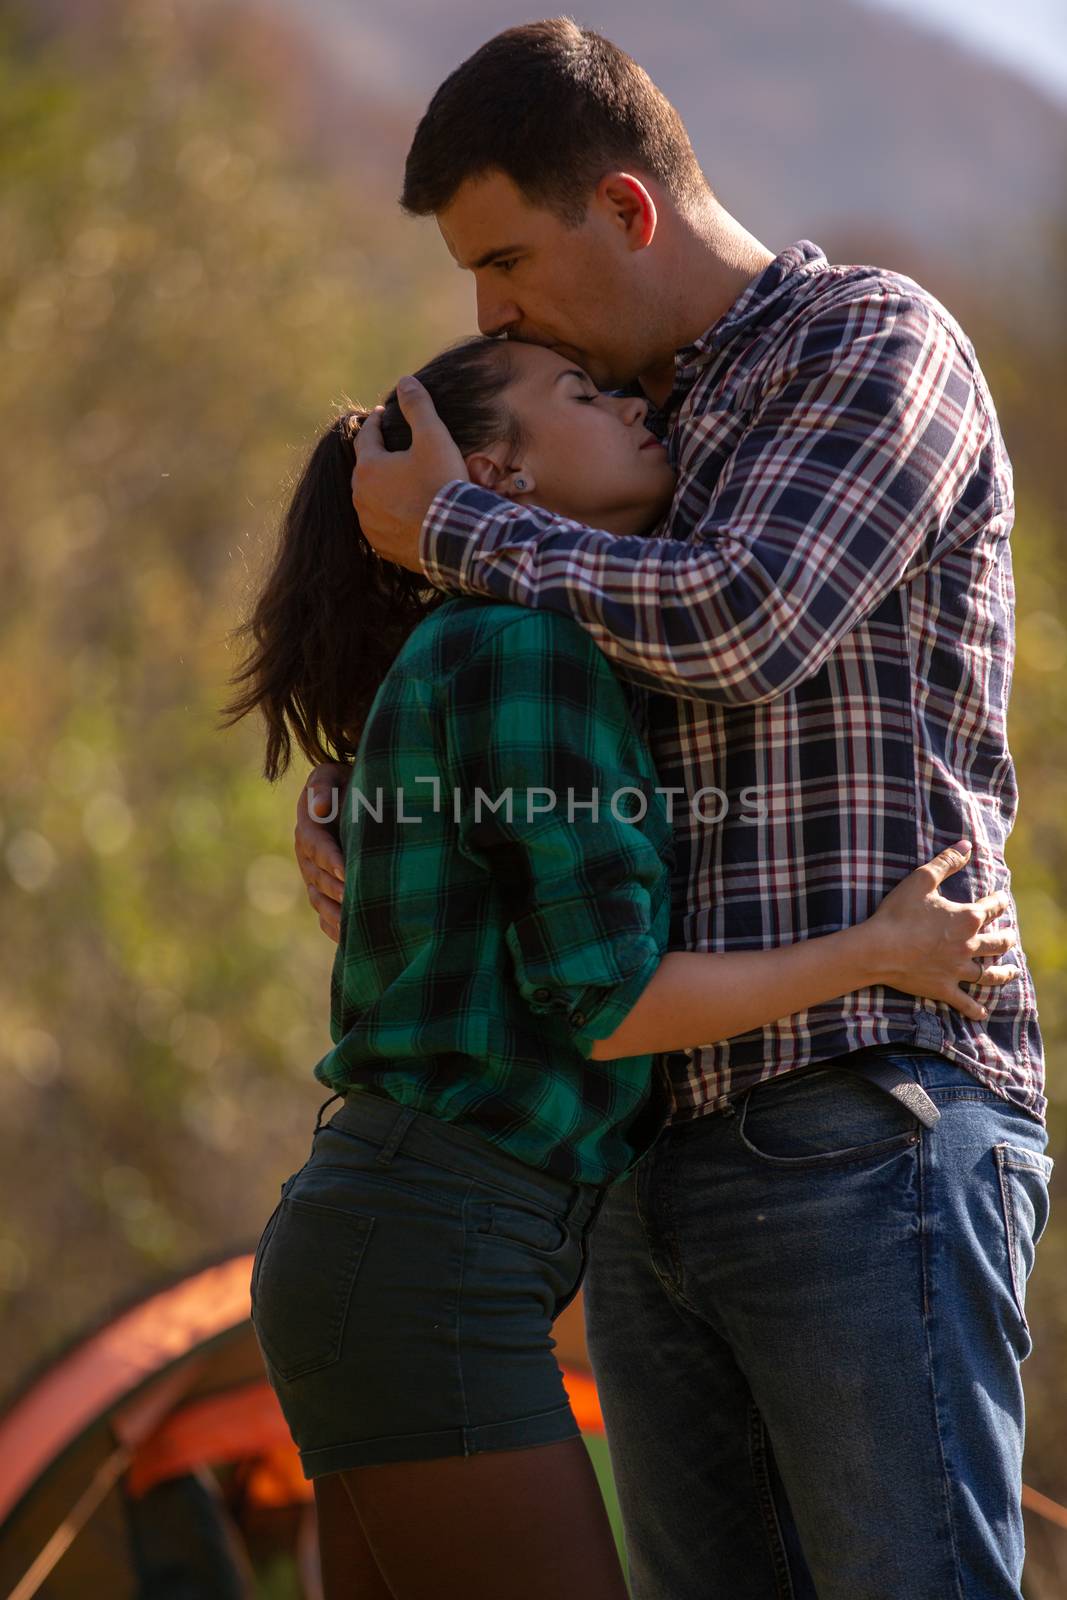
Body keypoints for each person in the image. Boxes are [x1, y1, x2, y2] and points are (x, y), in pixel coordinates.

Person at [292, 21, 1053, 1600]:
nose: (485, 312)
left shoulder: (865, 347)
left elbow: (746, 617)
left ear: (627, 211)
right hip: (642, 1161)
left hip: (868, 1115)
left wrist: (455, 528)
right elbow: (550, 745)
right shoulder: (621, 441)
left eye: (504, 260)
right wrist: (368, 798)